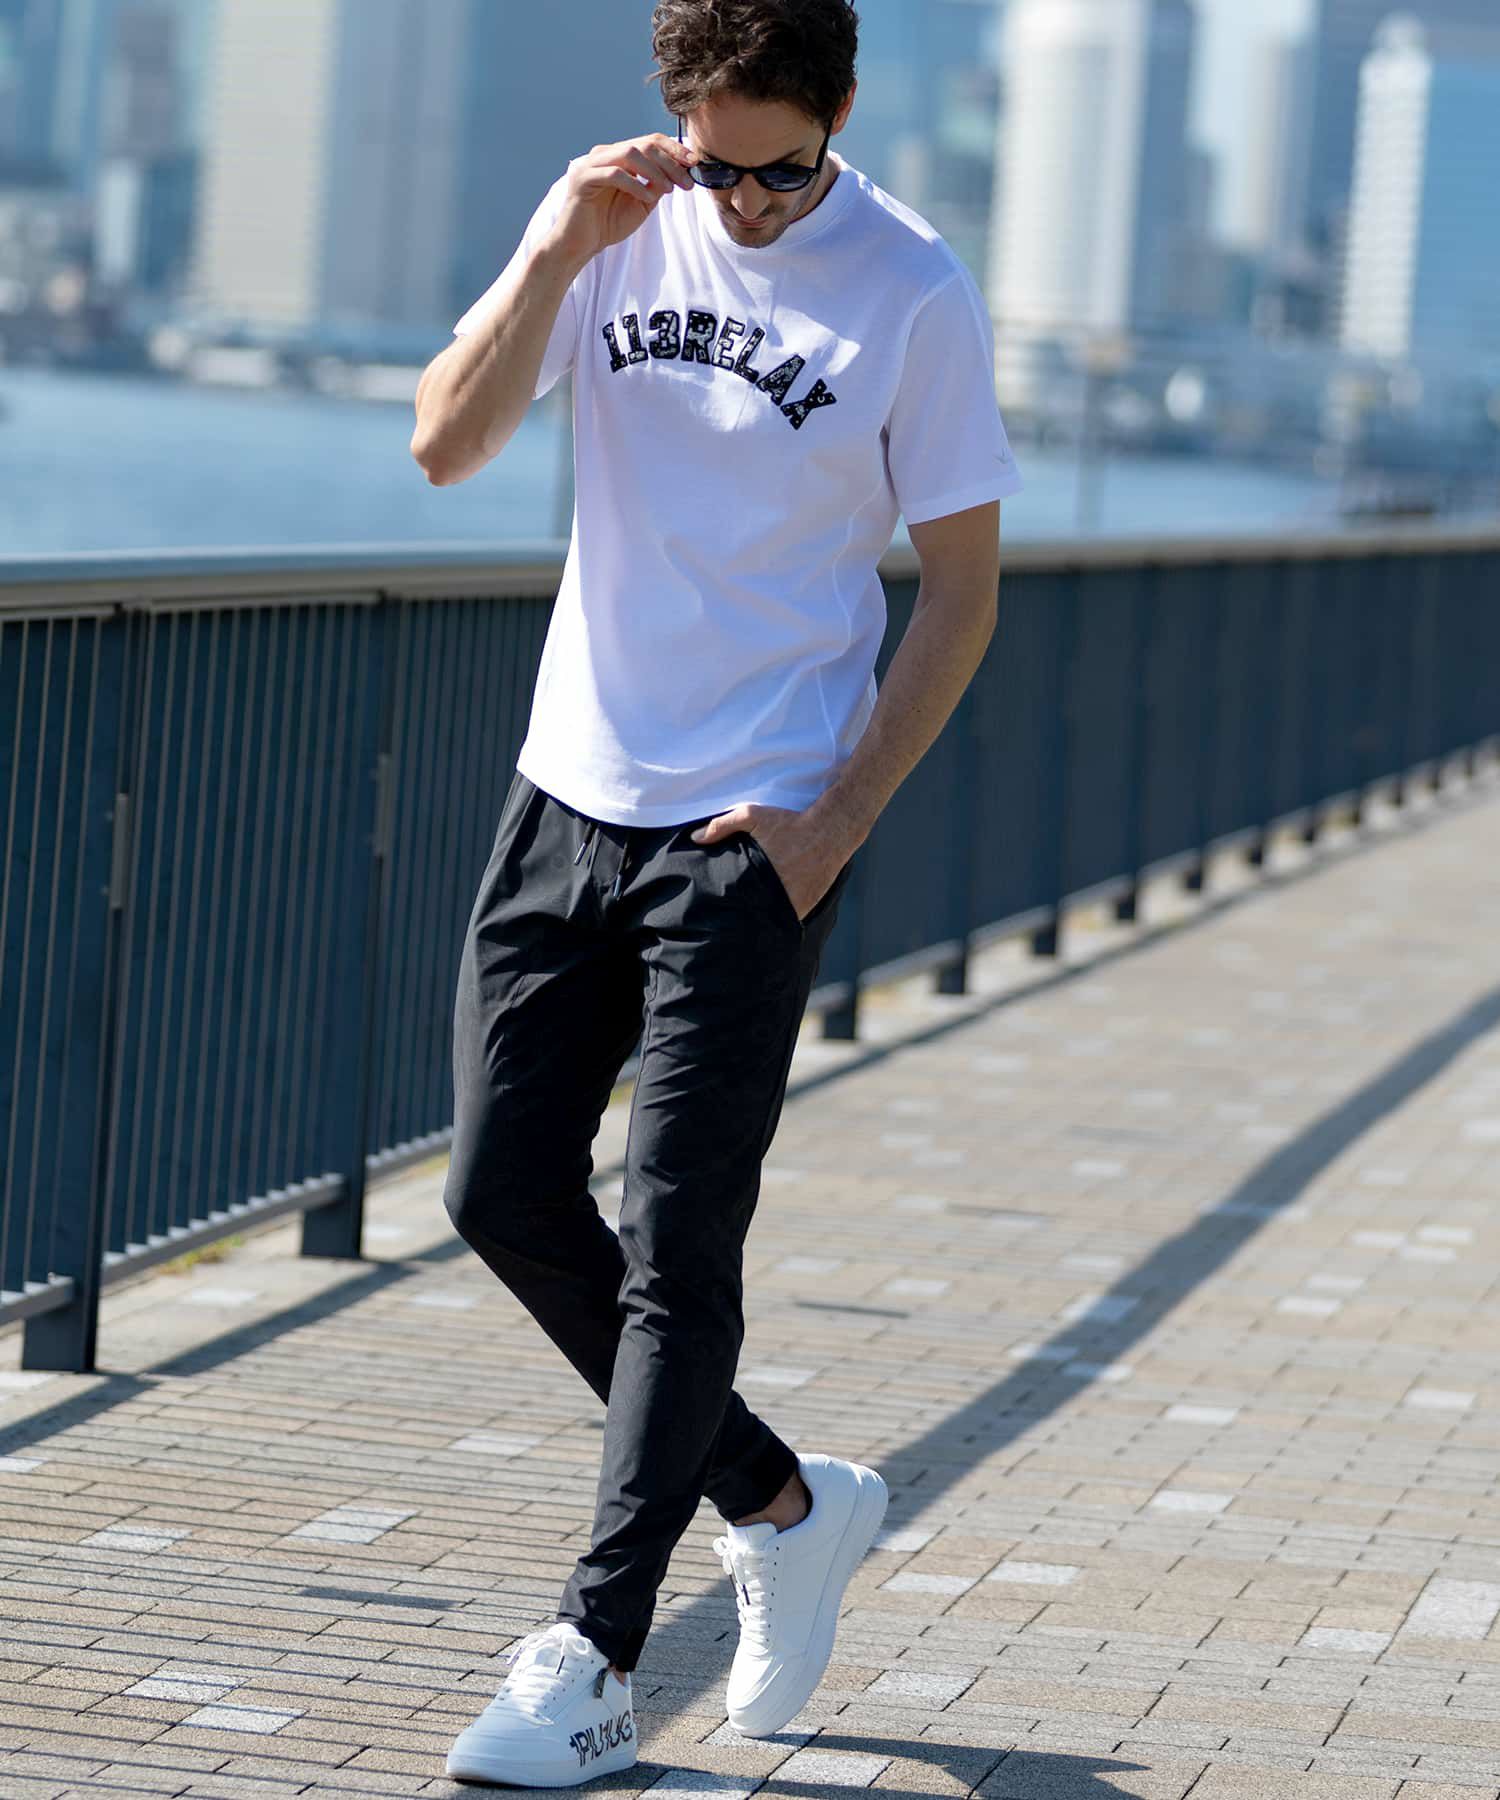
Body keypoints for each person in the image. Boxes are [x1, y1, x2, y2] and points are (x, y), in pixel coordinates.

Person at [411, 0, 1023, 1784]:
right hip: (565, 796)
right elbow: (443, 445)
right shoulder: (614, 224)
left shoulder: (912, 288)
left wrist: (832, 825)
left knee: (680, 1246)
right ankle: (779, 1498)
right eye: (719, 168)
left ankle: (595, 1656)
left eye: (786, 170)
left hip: (752, 837)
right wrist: (553, 247)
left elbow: (964, 593)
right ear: (673, 120)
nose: (749, 204)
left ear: (843, 113)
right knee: (498, 1190)